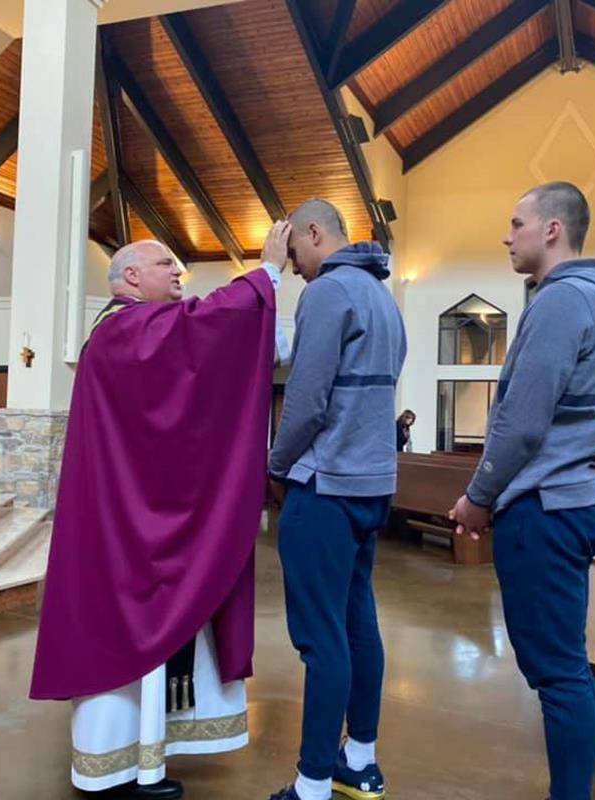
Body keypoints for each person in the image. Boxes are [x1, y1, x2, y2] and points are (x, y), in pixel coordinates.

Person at [30, 227, 291, 800]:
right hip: (126, 528)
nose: (177, 273)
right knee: (124, 637)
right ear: (130, 277)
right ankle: (116, 767)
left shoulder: (127, 330)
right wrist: (265, 274)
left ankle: (133, 761)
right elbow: (204, 327)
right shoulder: (126, 331)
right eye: (165, 265)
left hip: (124, 517)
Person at [447, 182, 595, 800]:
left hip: (547, 507)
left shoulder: (561, 300)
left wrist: (479, 496)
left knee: (560, 675)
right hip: (567, 499)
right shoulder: (583, 299)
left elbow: (521, 421)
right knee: (561, 670)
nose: (507, 234)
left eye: (516, 222)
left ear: (552, 229)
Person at [265, 199, 406, 800]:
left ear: (314, 233)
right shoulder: (383, 297)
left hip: (324, 488)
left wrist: (272, 465)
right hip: (372, 485)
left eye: (293, 251)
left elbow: (306, 400)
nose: (294, 265)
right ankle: (360, 759)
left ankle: (313, 783)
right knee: (356, 627)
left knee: (321, 640)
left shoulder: (327, 292)